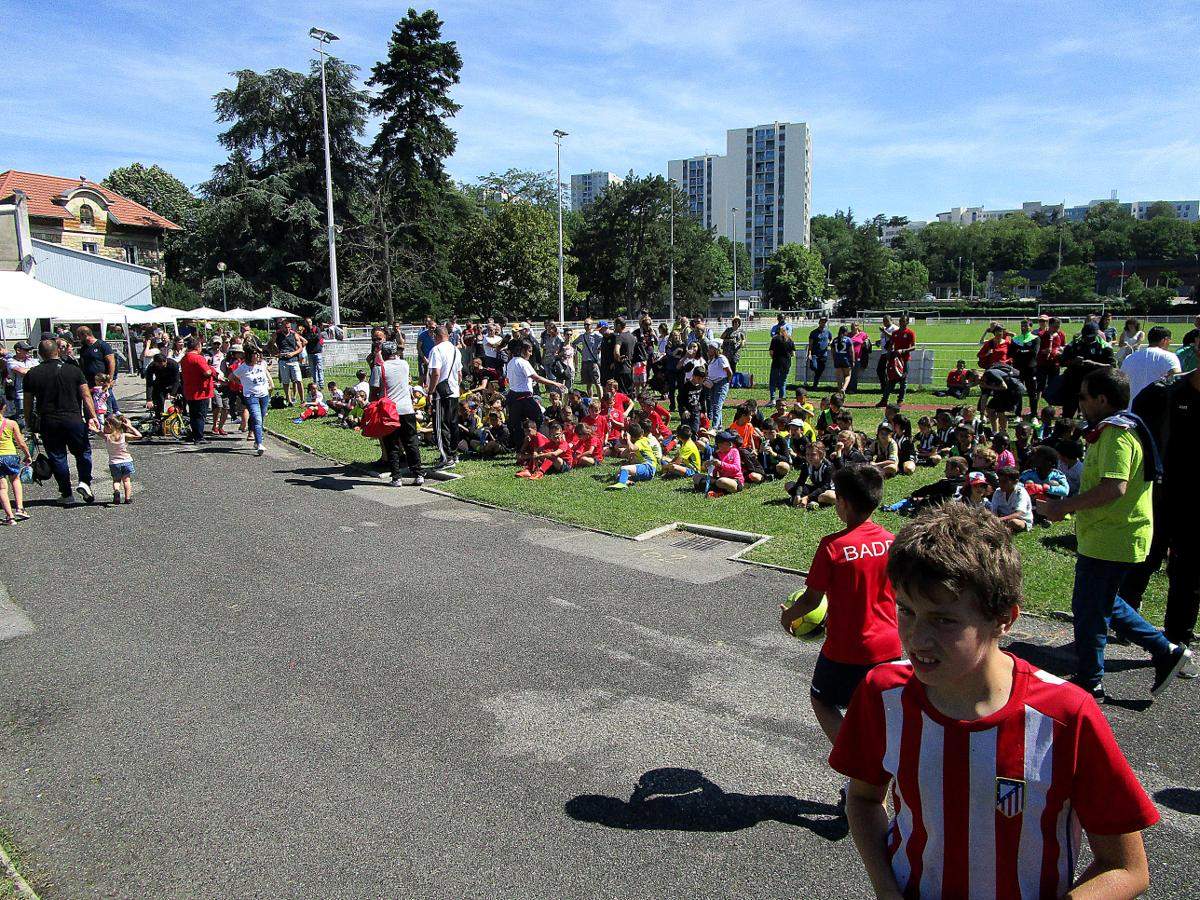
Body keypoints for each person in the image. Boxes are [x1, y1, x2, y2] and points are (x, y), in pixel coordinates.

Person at [832, 502, 1158, 900]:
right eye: (906, 611)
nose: (916, 638)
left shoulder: (1065, 715)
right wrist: (887, 889)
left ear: (1004, 618)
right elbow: (864, 798)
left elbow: (1126, 867)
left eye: (944, 620)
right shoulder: (883, 693)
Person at [1037, 367, 1191, 700]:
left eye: (1083, 396)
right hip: (1109, 534)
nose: (1079, 403)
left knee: (1090, 607)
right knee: (1102, 603)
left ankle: (1092, 680)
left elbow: (1114, 487)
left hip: (1112, 536)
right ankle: (1166, 650)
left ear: (1102, 399)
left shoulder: (1115, 435)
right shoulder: (1117, 429)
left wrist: (1063, 507)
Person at [782, 463, 898, 752]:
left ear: (843, 503)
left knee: (821, 700)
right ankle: (873, 783)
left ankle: (857, 762)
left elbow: (810, 600)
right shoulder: (892, 542)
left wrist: (788, 616)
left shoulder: (833, 546)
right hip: (890, 647)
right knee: (876, 716)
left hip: (847, 649)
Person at [24, 338, 100, 505]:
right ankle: (85, 482)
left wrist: (29, 421)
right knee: (83, 452)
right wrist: (93, 416)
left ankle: (66, 493)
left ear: (41, 355)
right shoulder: (73, 370)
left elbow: (28, 402)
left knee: (58, 456)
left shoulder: (32, 373)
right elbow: (86, 395)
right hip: (73, 418)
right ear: (57, 351)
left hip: (48, 420)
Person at [373, 341, 423, 487]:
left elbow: (375, 390)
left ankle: (396, 477)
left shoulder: (380, 368)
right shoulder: (405, 364)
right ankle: (418, 474)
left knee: (392, 444)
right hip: (407, 408)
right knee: (411, 442)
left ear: (384, 353)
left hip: (390, 411)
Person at [505, 341, 563, 448]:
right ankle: (543, 444)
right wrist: (555, 383)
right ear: (522, 350)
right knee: (539, 419)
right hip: (524, 397)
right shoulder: (523, 362)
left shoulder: (510, 363)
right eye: (529, 351)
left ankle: (520, 447)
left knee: (517, 424)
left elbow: (509, 380)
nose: (531, 354)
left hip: (513, 397)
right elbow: (536, 377)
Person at [425, 325, 463, 469]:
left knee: (441, 425)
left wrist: (430, 391)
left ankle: (447, 458)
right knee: (453, 424)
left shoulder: (436, 350)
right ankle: (454, 454)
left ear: (437, 336)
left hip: (441, 393)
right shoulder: (455, 350)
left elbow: (436, 372)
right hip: (453, 391)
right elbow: (460, 375)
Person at [1119, 326, 1179, 404]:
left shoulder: (1129, 358)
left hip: (1131, 410)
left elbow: (1122, 382)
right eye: (1169, 340)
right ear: (1165, 340)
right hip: (1159, 410)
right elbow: (1177, 377)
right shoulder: (1170, 357)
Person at [180, 337, 222, 443]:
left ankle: (195, 434)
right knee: (200, 415)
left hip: (189, 390)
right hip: (200, 391)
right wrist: (213, 373)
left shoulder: (184, 358)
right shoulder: (198, 358)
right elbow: (207, 372)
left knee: (193, 414)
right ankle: (199, 437)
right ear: (197, 347)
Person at [233, 347, 273, 456]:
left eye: (258, 354)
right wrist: (242, 383)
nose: (258, 356)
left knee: (261, 416)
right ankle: (260, 444)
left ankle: (256, 439)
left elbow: (266, 374)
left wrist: (270, 384)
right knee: (257, 418)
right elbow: (232, 376)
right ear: (250, 355)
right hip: (251, 396)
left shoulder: (262, 364)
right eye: (255, 354)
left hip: (264, 395)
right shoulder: (243, 368)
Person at [0, 397, 31, 524]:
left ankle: (10, 517)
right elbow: (21, 442)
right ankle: (20, 508)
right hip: (11, 455)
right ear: (4, 407)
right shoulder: (11, 423)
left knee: (2, 488)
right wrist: (27, 454)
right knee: (16, 480)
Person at [76, 325, 118, 416]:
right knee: (90, 407)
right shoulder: (84, 349)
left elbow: (111, 362)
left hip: (102, 382)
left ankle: (108, 426)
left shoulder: (102, 345)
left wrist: (110, 379)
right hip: (89, 382)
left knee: (106, 408)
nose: (78, 339)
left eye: (79, 336)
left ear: (85, 335)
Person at [101, 414, 141, 505]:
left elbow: (96, 431)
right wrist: (130, 427)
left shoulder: (107, 437)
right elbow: (139, 435)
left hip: (114, 463)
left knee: (116, 480)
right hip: (126, 461)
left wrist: (92, 427)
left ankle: (116, 491)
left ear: (109, 426)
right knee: (127, 481)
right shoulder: (124, 435)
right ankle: (127, 498)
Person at [607, 422, 661, 489]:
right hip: (647, 469)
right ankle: (628, 481)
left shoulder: (641, 442)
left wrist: (628, 440)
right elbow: (623, 454)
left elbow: (632, 448)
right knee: (618, 474)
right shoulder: (643, 440)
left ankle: (621, 484)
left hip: (648, 467)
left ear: (631, 436)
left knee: (624, 468)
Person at [877, 315, 915, 406]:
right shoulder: (895, 333)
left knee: (903, 380)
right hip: (895, 360)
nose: (901, 323)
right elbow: (891, 344)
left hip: (905, 359)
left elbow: (914, 347)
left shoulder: (910, 333)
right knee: (891, 380)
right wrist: (889, 353)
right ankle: (884, 400)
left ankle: (900, 400)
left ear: (907, 322)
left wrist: (904, 350)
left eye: (903, 321)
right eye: (900, 321)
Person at [267, 319, 306, 406]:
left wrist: (293, 353)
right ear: (282, 327)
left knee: (298, 380)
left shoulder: (294, 334)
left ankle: (302, 400)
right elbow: (269, 345)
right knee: (285, 382)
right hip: (283, 360)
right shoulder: (277, 335)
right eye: (286, 327)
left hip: (293, 360)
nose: (287, 329)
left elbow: (300, 347)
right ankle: (289, 400)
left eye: (289, 327)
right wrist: (275, 354)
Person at [694, 429, 742, 496]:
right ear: (720, 445)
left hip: (734, 481)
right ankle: (716, 490)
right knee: (696, 477)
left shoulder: (734, 451)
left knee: (721, 481)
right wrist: (707, 465)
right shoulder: (716, 454)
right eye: (728, 442)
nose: (731, 444)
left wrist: (721, 464)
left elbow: (737, 468)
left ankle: (712, 489)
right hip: (720, 479)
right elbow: (714, 473)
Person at [988, 465, 1033, 533]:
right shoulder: (998, 492)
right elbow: (993, 511)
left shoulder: (1020, 493)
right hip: (1002, 519)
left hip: (1020, 520)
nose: (1001, 484)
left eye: (1004, 482)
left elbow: (1018, 513)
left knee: (1013, 522)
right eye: (999, 481)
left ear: (1015, 481)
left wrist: (1000, 520)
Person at [704, 342, 733, 428]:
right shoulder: (711, 359)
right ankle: (719, 426)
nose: (709, 350)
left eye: (711, 348)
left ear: (716, 350)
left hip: (721, 383)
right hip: (713, 384)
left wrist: (727, 381)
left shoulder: (721, 358)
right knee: (715, 405)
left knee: (717, 405)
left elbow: (729, 372)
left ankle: (715, 427)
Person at [573, 319, 603, 398]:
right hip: (584, 362)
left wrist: (599, 349)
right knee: (588, 383)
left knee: (597, 383)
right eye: (585, 324)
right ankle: (590, 399)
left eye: (588, 324)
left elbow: (604, 341)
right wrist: (580, 351)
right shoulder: (582, 336)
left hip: (593, 362)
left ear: (592, 325)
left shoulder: (596, 336)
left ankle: (601, 400)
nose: (586, 326)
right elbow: (574, 343)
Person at [767, 321, 795, 403]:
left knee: (772, 382)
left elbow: (771, 352)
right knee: (783, 382)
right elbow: (793, 353)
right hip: (786, 363)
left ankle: (772, 399)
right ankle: (782, 400)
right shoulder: (790, 340)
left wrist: (775, 358)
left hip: (776, 363)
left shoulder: (775, 339)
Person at [806, 317, 832, 389]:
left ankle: (815, 384)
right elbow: (810, 344)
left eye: (824, 322)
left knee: (820, 370)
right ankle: (815, 383)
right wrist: (809, 353)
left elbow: (831, 339)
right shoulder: (813, 333)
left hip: (824, 354)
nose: (823, 323)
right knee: (814, 367)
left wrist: (830, 342)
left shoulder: (828, 332)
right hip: (815, 354)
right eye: (822, 322)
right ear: (819, 322)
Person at [302, 317, 325, 387]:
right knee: (313, 369)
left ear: (311, 322)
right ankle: (315, 382)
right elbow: (305, 340)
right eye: (307, 322)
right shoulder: (305, 331)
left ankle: (321, 383)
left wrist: (309, 339)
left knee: (320, 368)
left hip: (317, 352)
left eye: (309, 322)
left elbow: (318, 338)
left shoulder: (316, 329)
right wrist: (311, 338)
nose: (308, 323)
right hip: (310, 352)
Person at [831, 325, 854, 393]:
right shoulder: (848, 339)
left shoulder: (835, 340)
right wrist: (853, 360)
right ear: (846, 332)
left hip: (837, 360)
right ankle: (844, 388)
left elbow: (832, 352)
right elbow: (851, 351)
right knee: (848, 375)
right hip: (846, 360)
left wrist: (834, 359)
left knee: (839, 378)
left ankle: (839, 393)